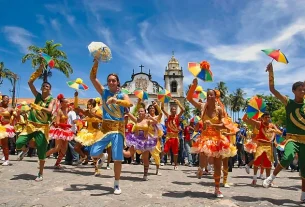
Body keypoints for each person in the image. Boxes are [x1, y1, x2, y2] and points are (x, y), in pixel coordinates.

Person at [89, 55, 132, 195]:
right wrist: (96, 63)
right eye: (109, 80)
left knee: (118, 158)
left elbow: (129, 103)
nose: (111, 82)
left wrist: (116, 101)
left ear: (118, 82)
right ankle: (103, 157)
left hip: (118, 129)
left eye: (114, 80)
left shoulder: (122, 94)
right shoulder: (104, 92)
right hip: (106, 128)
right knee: (93, 152)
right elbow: (93, 79)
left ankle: (117, 183)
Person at [263, 63, 305, 202]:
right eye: (300, 90)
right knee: (287, 157)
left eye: (304, 89)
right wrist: (271, 72)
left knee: (304, 168)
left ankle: (303, 194)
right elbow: (272, 89)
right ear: (294, 91)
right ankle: (271, 177)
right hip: (292, 139)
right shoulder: (288, 103)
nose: (303, 92)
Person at [187, 78, 230, 198]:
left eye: (211, 95)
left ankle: (217, 189)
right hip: (205, 138)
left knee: (217, 165)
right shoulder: (202, 107)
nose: (209, 97)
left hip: (217, 139)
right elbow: (189, 98)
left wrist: (213, 125)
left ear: (215, 97)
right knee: (203, 157)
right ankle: (201, 168)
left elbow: (224, 125)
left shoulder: (220, 109)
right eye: (208, 95)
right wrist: (193, 87)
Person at [16, 63, 55, 181]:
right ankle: (25, 149)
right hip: (31, 125)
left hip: (42, 128)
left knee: (41, 152)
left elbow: (49, 111)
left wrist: (38, 107)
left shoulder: (51, 99)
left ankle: (40, 173)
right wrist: (40, 68)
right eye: (43, 85)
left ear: (50, 89)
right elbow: (30, 83)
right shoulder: (37, 96)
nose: (45, 87)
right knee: (18, 143)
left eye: (47, 86)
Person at [161, 99, 185, 170]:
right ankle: (159, 160)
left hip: (175, 137)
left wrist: (178, 103)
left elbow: (183, 110)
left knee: (175, 152)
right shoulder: (168, 116)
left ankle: (175, 164)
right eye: (173, 109)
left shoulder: (177, 117)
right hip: (168, 137)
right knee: (165, 150)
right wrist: (162, 100)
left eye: (175, 109)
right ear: (171, 110)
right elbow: (162, 109)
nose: (174, 110)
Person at [0, 95, 16, 166]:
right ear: (2, 99)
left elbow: (16, 117)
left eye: (8, 99)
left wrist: (13, 124)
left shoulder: (10, 109)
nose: (6, 100)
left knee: (4, 144)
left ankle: (7, 159)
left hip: (5, 127)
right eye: (5, 98)